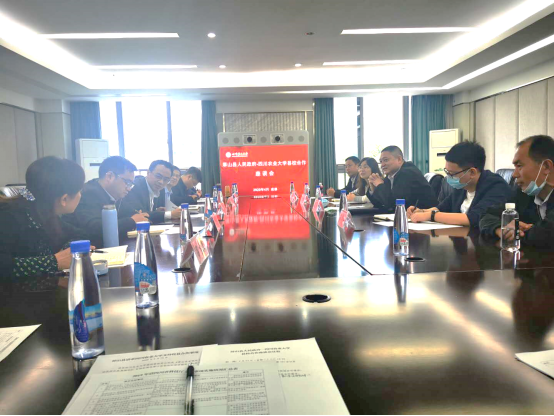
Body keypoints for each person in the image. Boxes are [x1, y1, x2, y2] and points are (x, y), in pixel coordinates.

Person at [0, 157, 88, 292]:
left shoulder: (44, 212)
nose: (80, 195)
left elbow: (77, 234)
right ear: (64, 199)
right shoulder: (8, 217)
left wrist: (68, 250)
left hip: (39, 292)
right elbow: (4, 266)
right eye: (79, 191)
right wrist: (55, 261)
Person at [408, 141, 512, 228]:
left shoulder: (496, 186)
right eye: (447, 172)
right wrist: (421, 211)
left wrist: (431, 215)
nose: (448, 177)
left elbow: (474, 218)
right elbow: (442, 207)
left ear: (472, 172)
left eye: (452, 174)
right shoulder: (463, 186)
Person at [481, 135, 554, 248]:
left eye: (519, 166)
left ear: (546, 167)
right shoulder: (522, 192)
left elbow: (546, 236)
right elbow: (487, 215)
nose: (514, 175)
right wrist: (501, 229)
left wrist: (517, 233)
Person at [65, 156, 150, 248]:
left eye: (131, 184)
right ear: (109, 176)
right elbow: (94, 228)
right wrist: (131, 221)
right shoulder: (89, 193)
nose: (129, 188)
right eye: (127, 182)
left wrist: (138, 217)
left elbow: (131, 212)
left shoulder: (114, 194)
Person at [370, 146, 438, 212]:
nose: (382, 165)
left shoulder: (408, 173)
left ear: (399, 159)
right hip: (408, 215)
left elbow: (394, 204)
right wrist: (373, 187)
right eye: (381, 161)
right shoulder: (390, 176)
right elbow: (380, 203)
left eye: (386, 160)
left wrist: (379, 185)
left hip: (424, 215)